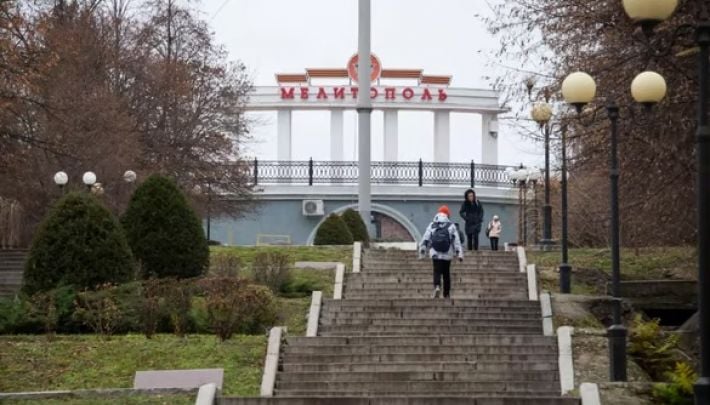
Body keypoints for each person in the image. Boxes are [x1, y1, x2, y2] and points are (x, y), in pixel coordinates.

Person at [419, 205, 463, 299]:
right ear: (448, 215)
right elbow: (456, 241)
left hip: (435, 251)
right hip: (448, 252)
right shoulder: (451, 225)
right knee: (446, 273)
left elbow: (426, 237)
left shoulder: (432, 224)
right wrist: (459, 253)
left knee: (437, 270)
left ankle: (437, 286)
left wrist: (422, 249)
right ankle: (446, 294)